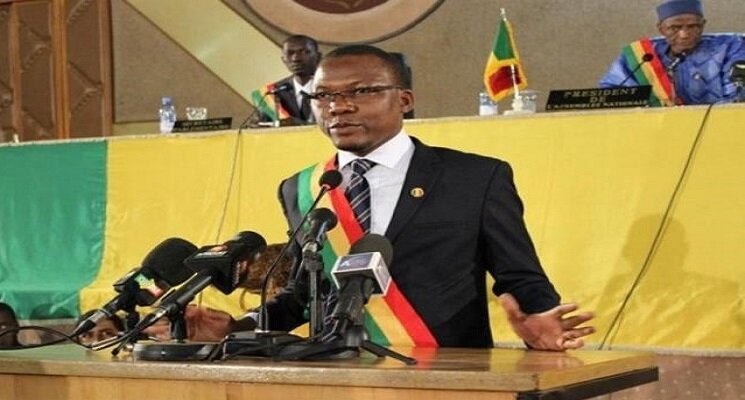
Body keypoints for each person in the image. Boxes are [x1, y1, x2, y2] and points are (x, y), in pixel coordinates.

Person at [254, 44, 595, 350]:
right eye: (323, 95)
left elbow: (519, 275)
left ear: (405, 100)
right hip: (336, 371)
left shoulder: (475, 178)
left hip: (447, 372)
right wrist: (242, 325)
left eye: (361, 91)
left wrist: (541, 320)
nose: (338, 107)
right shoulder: (301, 188)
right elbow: (304, 292)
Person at [598, 0, 745, 105]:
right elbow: (611, 96)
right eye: (675, 28)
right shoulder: (642, 55)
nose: (684, 34)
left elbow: (737, 98)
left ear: (703, 25)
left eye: (693, 26)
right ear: (661, 29)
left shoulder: (731, 47)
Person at [250, 35, 322, 126]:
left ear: (318, 57)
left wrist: (299, 124)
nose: (296, 59)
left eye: (303, 52)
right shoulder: (272, 93)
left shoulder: (332, 89)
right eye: (290, 53)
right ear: (283, 59)